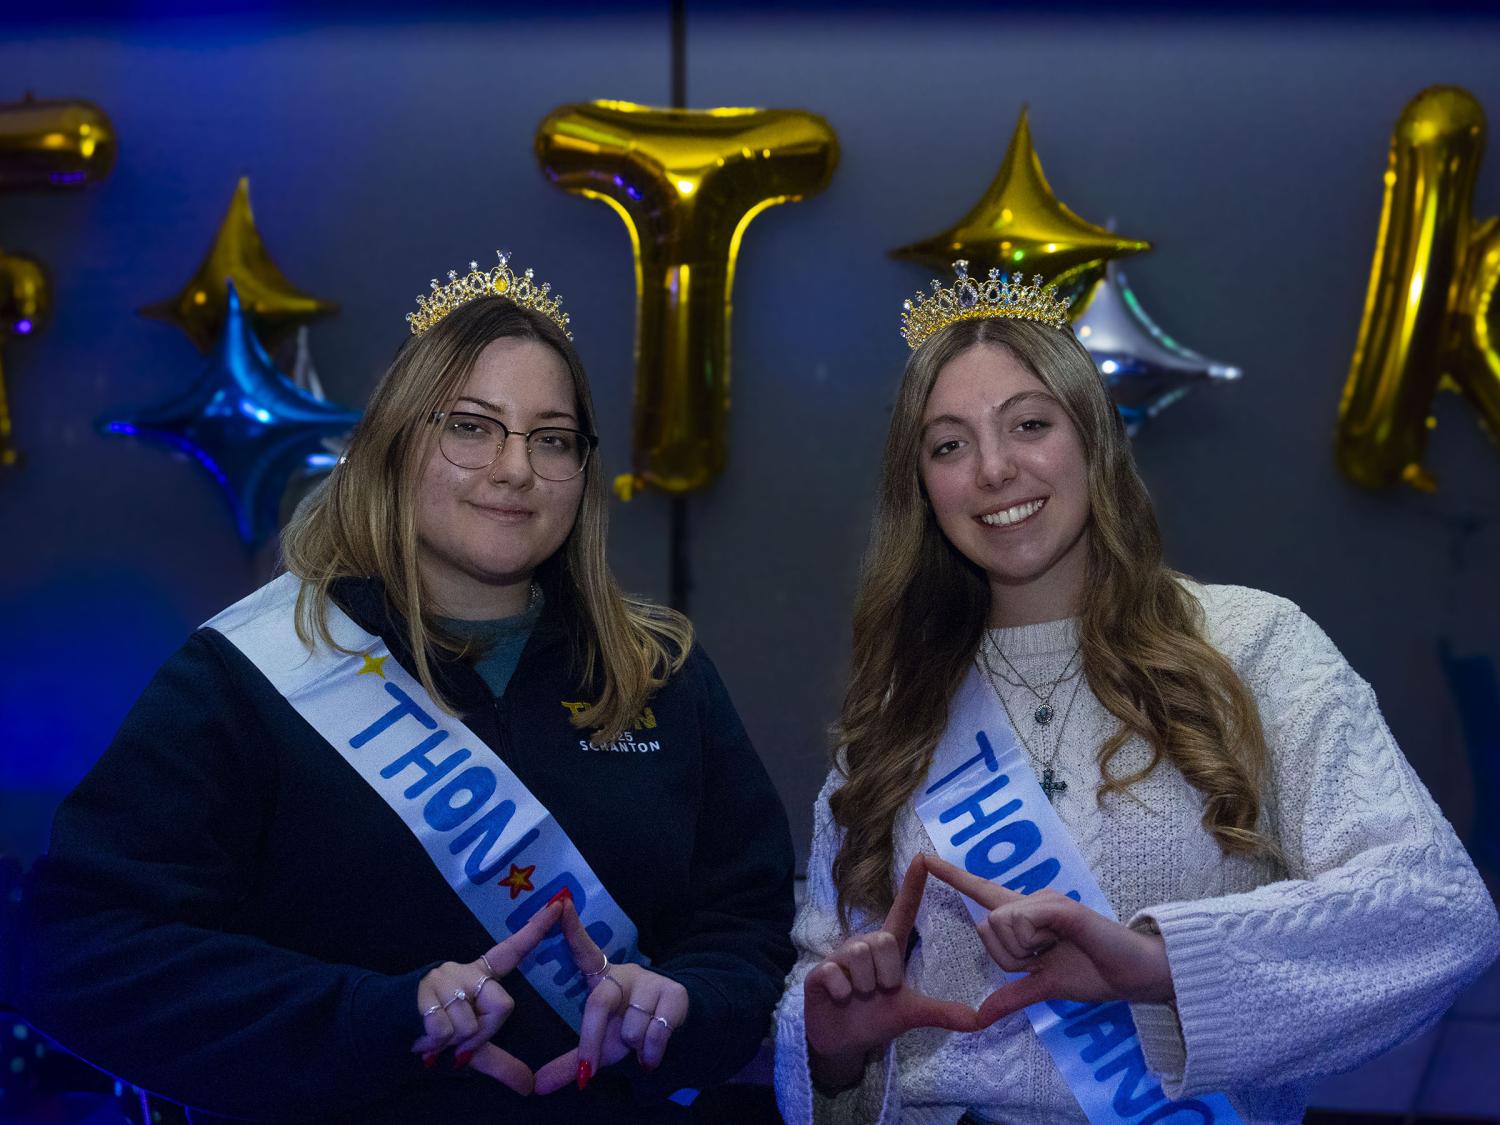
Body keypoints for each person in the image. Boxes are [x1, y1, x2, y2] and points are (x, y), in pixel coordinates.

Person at [16, 252, 795, 1123]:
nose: (514, 468)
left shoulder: (660, 674)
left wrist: (686, 1006)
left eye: (552, 438)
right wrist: (375, 1016)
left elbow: (751, 923)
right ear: (395, 443)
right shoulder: (254, 672)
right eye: (471, 425)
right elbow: (80, 947)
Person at [772, 263, 1500, 1125]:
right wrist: (831, 1046)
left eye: (1029, 424)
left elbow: (1437, 909)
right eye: (949, 444)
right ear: (921, 486)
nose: (995, 469)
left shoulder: (1251, 646)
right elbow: (820, 985)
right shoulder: (901, 705)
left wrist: (1158, 962)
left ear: (1092, 437)